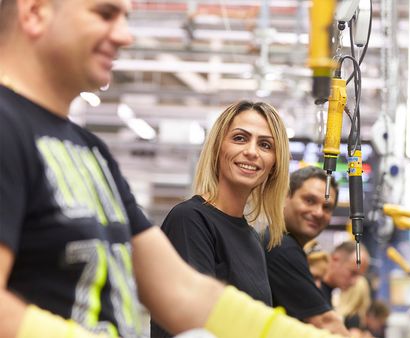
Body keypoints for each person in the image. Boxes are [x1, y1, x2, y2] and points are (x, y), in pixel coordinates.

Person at [0, 0, 343, 337]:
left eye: (125, 18)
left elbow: (181, 290)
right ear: (35, 12)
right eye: (104, 13)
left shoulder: (90, 151)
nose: (124, 36)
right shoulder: (7, 127)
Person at [150, 100, 290, 338]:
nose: (252, 152)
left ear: (275, 164)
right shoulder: (190, 220)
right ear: (218, 147)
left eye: (265, 145)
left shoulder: (252, 239)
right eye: (239, 138)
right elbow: (192, 325)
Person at [264, 166, 349, 335]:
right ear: (285, 196)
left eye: (327, 207)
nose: (318, 212)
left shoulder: (284, 243)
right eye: (309, 200)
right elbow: (326, 323)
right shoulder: (280, 245)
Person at [320, 241, 370, 307]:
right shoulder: (312, 289)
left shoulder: (325, 296)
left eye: (359, 276)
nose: (354, 282)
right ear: (335, 260)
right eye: (353, 273)